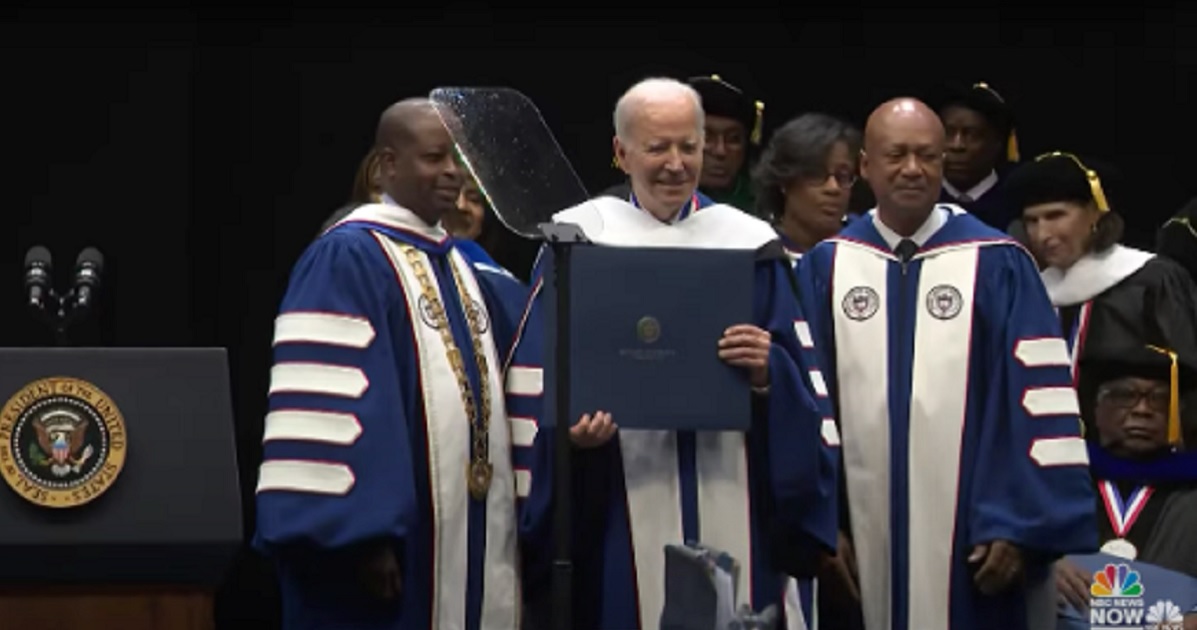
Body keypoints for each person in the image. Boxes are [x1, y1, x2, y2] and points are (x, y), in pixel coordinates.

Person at [510, 77, 839, 630]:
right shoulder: (576, 243)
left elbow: (799, 386)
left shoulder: (749, 243)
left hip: (732, 483)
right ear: (621, 152)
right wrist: (568, 436)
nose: (676, 163)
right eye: (657, 147)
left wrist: (766, 373)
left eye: (689, 145)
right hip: (620, 495)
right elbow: (542, 382)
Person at [796, 97, 1096, 630]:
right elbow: (806, 405)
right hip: (858, 547)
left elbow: (1036, 404)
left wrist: (1019, 525)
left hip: (975, 543)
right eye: (897, 155)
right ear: (865, 166)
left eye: (927, 156)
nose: (913, 169)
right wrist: (820, 524)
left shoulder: (999, 262)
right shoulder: (828, 265)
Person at [253, 98, 525, 630]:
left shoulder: (464, 265)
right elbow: (339, 404)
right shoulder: (348, 256)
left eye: (458, 160)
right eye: (433, 158)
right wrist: (365, 536)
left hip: (470, 529)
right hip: (389, 543)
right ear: (387, 165)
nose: (450, 173)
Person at [1004, 152, 1197, 436]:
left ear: (1097, 212)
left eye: (1056, 215)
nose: (1042, 233)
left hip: (1135, 463)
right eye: (1031, 221)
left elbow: (1187, 377)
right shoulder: (1029, 291)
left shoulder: (1153, 281)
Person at [1054, 344, 1197, 622]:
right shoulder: (1052, 482)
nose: (1142, 409)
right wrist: (1041, 568)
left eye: (1160, 398)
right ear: (1095, 409)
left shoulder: (1191, 490)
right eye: (1124, 395)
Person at [602, 74, 765, 215]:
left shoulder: (764, 214)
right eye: (707, 137)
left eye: (734, 139)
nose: (720, 151)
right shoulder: (610, 213)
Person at [753, 112, 861, 262]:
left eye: (843, 176)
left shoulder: (866, 246)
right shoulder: (759, 251)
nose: (833, 188)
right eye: (816, 175)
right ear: (784, 181)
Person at [933, 81, 1022, 232]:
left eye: (971, 134)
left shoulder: (1018, 200)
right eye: (947, 133)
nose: (956, 145)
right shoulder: (919, 198)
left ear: (998, 143)